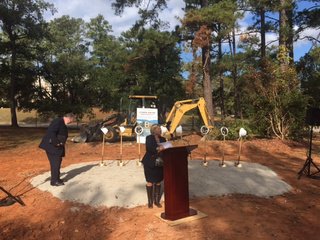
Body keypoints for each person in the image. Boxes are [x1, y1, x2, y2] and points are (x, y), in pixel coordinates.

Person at [39, 113, 75, 186]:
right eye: (72, 120)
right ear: (69, 118)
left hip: (56, 147)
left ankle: (57, 178)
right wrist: (57, 143)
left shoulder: (61, 122)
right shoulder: (58, 121)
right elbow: (51, 132)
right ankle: (54, 181)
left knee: (57, 162)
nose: (71, 122)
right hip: (52, 147)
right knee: (55, 163)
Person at [141, 124, 166, 208]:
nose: (160, 130)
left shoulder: (163, 139)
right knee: (150, 181)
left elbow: (165, 148)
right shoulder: (149, 138)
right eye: (159, 128)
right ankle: (150, 202)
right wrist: (159, 148)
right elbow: (149, 148)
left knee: (158, 181)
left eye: (160, 128)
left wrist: (167, 147)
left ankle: (156, 201)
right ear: (154, 130)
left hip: (160, 163)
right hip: (149, 162)